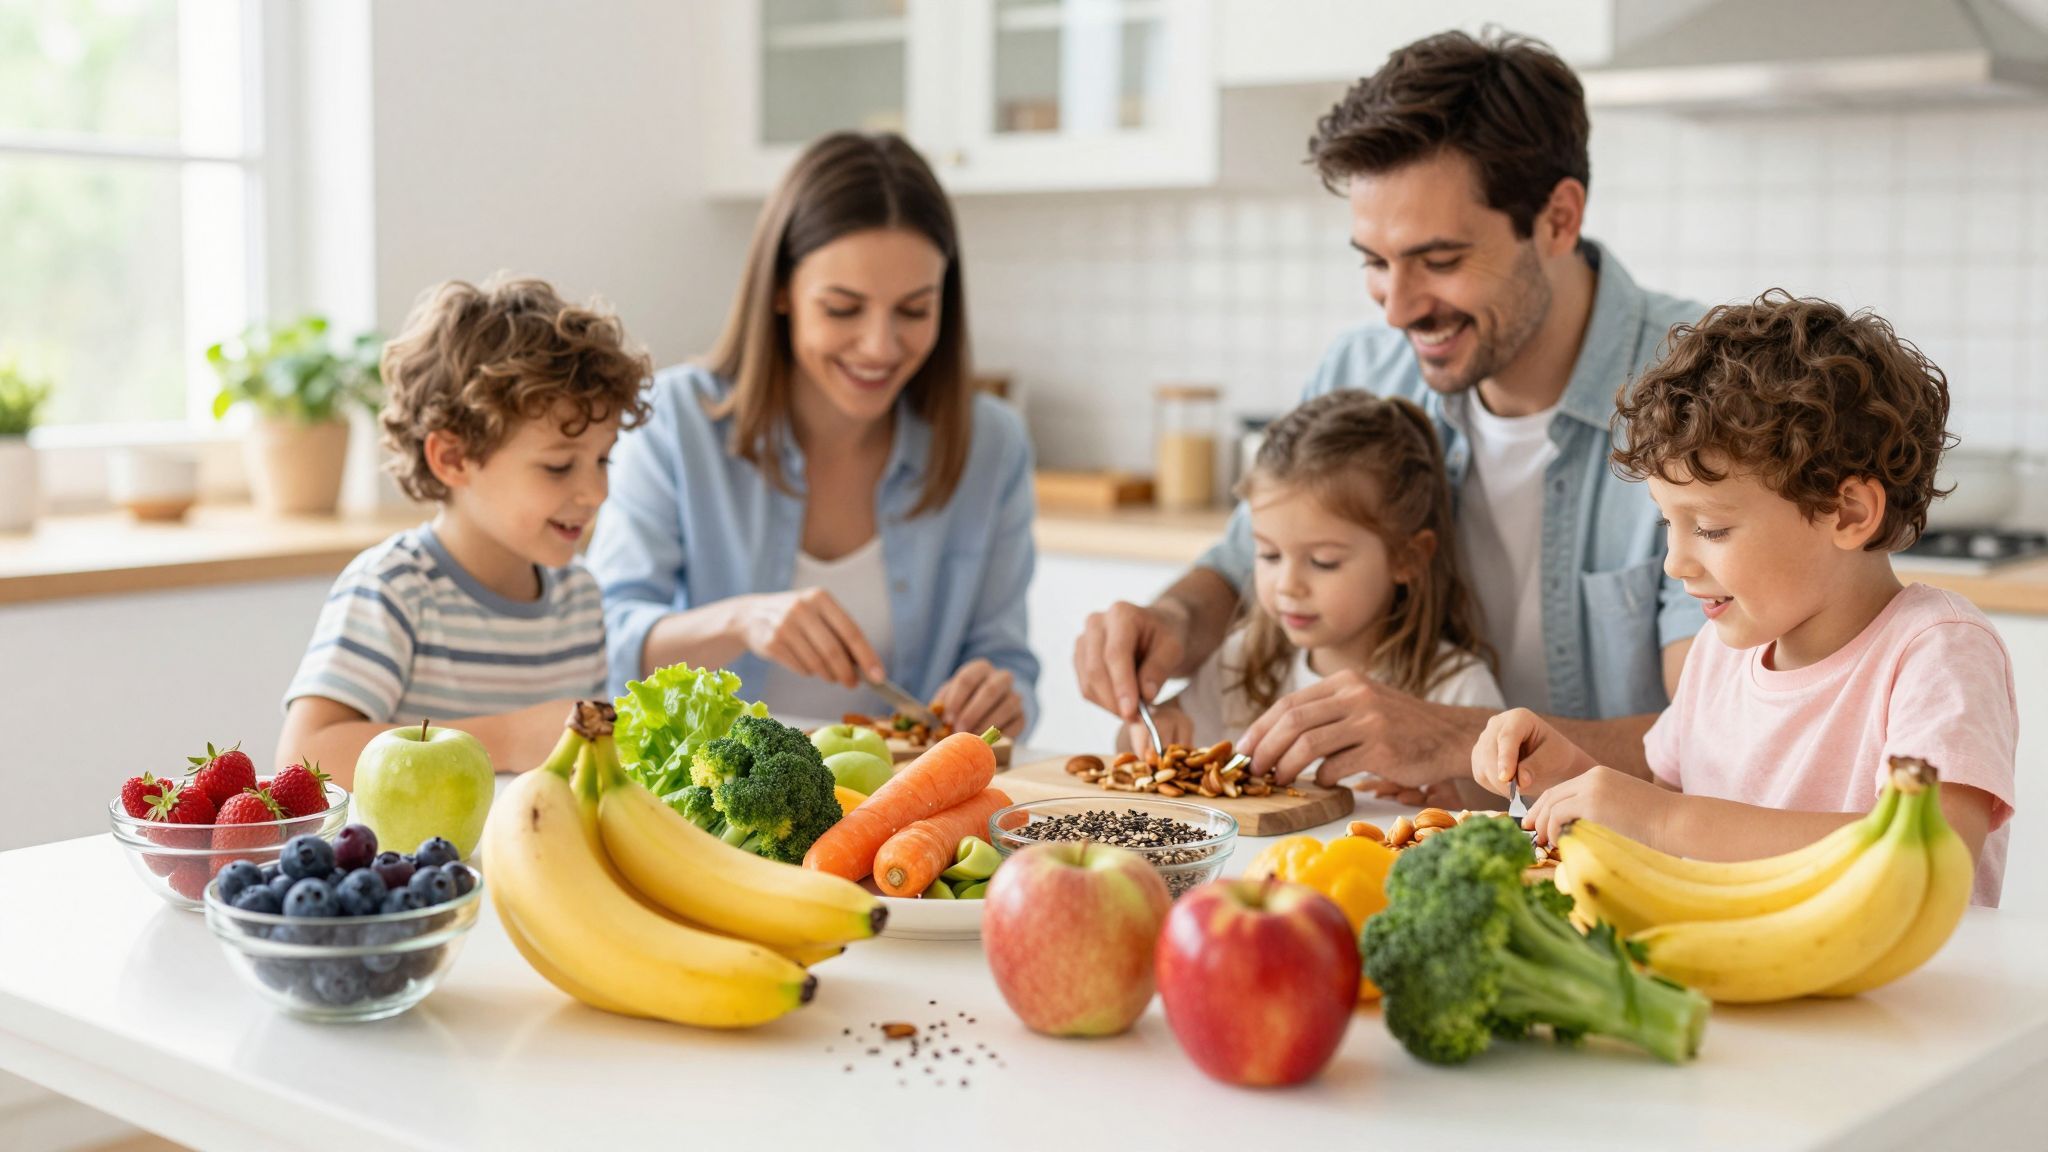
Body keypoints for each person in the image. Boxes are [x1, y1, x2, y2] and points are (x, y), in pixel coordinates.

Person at [1075, 29, 1706, 790]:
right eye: (1376, 263)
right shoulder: (1363, 371)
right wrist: (1173, 620)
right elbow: (1242, 565)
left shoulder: (1703, 396)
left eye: (1439, 261)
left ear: (1558, 219)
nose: (1398, 309)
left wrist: (1454, 736)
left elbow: (1717, 740)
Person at [1473, 292, 2016, 905]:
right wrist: (1571, 777)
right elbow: (1667, 816)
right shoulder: (1719, 651)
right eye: (1667, 523)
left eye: (1710, 528)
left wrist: (1663, 818)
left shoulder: (1937, 652)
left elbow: (1933, 856)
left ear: (1847, 512)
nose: (1675, 563)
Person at [588, 132, 1037, 736]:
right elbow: (602, 645)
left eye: (914, 310)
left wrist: (1002, 699)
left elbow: (1009, 662)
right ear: (781, 291)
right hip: (703, 789)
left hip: (906, 792)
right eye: (843, 308)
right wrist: (740, 622)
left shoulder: (992, 446)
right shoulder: (673, 421)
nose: (880, 346)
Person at [279, 276, 653, 784]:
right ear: (453, 458)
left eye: (603, 460)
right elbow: (307, 755)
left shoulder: (579, 597)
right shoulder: (394, 588)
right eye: (559, 466)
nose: (596, 492)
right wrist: (509, 739)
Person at [1147, 390, 1503, 761]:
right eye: (1269, 554)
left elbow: (1503, 794)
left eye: (1323, 561)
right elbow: (1139, 742)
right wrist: (1150, 728)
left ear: (1407, 558)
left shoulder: (1456, 690)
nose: (1287, 585)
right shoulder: (1243, 662)